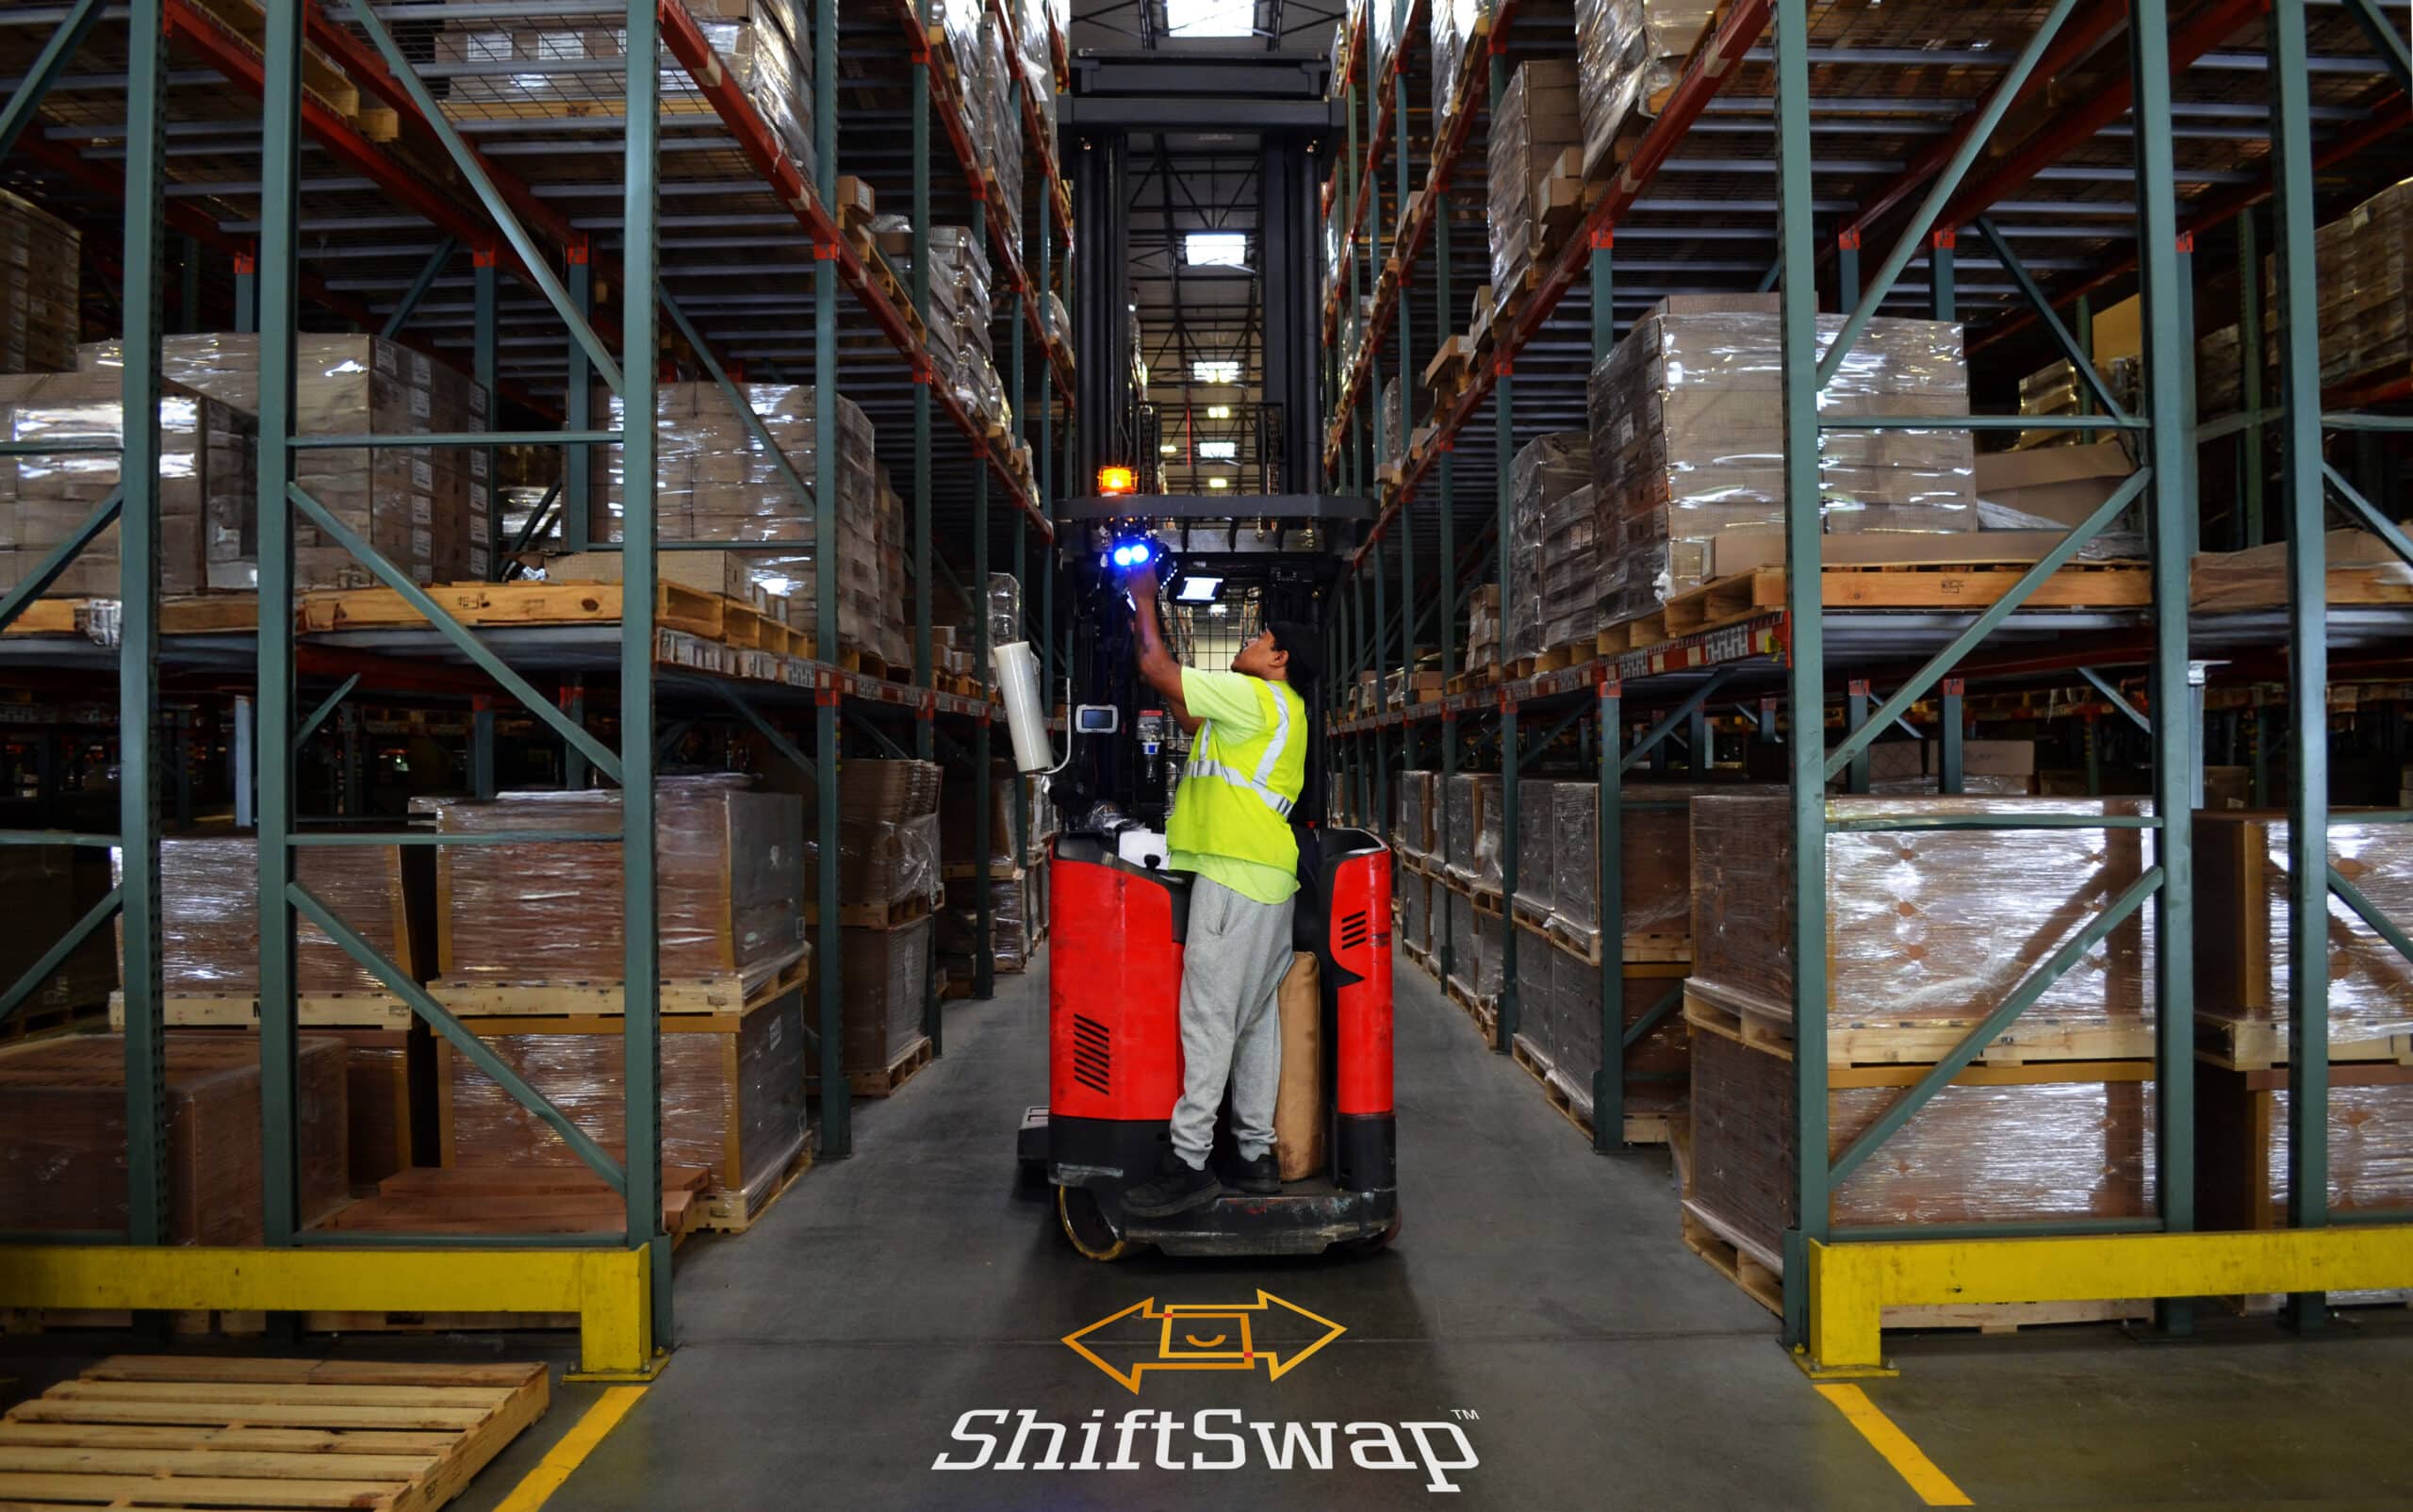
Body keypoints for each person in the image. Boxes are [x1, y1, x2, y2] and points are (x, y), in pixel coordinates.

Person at [1118, 562, 1319, 1217]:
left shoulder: (1257, 698)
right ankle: (1255, 1155)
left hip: (1234, 877)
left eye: (1259, 637)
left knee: (1207, 1019)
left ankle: (1189, 1162)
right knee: (1252, 1021)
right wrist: (1141, 618)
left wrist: (1143, 594)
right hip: (1266, 878)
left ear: (1279, 658)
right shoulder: (1272, 708)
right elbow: (1183, 714)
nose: (1250, 642)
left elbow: (1156, 674)